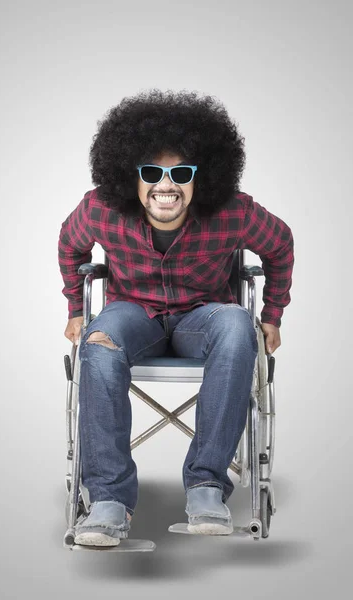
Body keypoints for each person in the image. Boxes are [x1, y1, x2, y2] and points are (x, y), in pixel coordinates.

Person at [58, 89, 294, 547]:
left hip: (203, 316)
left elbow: (280, 243)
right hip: (132, 315)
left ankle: (207, 487)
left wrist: (272, 315)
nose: (166, 185)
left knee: (234, 325)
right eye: (152, 173)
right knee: (98, 341)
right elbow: (71, 244)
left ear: (200, 179)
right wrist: (74, 307)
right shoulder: (101, 209)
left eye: (180, 173)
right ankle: (107, 500)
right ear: (132, 177)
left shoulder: (233, 212)